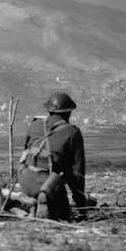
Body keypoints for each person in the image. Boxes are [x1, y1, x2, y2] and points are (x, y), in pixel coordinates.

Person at [17, 92, 87, 221]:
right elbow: (77, 173)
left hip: (25, 181)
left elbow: (25, 152)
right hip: (48, 186)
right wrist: (81, 205)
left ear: (49, 110)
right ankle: (44, 202)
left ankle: (34, 203)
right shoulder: (72, 133)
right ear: (69, 112)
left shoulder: (34, 124)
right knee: (64, 217)